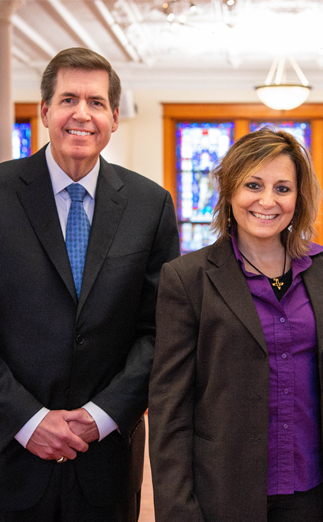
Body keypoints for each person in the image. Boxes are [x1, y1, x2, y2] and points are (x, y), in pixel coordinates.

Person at [0, 48, 179, 521]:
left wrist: (102, 415)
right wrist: (27, 419)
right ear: (44, 111)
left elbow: (160, 328)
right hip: (9, 452)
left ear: (115, 118)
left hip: (106, 458)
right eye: (68, 99)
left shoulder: (150, 205)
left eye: (96, 102)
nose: (82, 114)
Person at [149, 128, 323, 522]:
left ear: (299, 198)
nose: (267, 201)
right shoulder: (187, 278)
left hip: (315, 488)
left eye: (283, 188)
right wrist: (179, 509)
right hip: (226, 490)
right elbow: (170, 409)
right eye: (253, 185)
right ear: (229, 191)